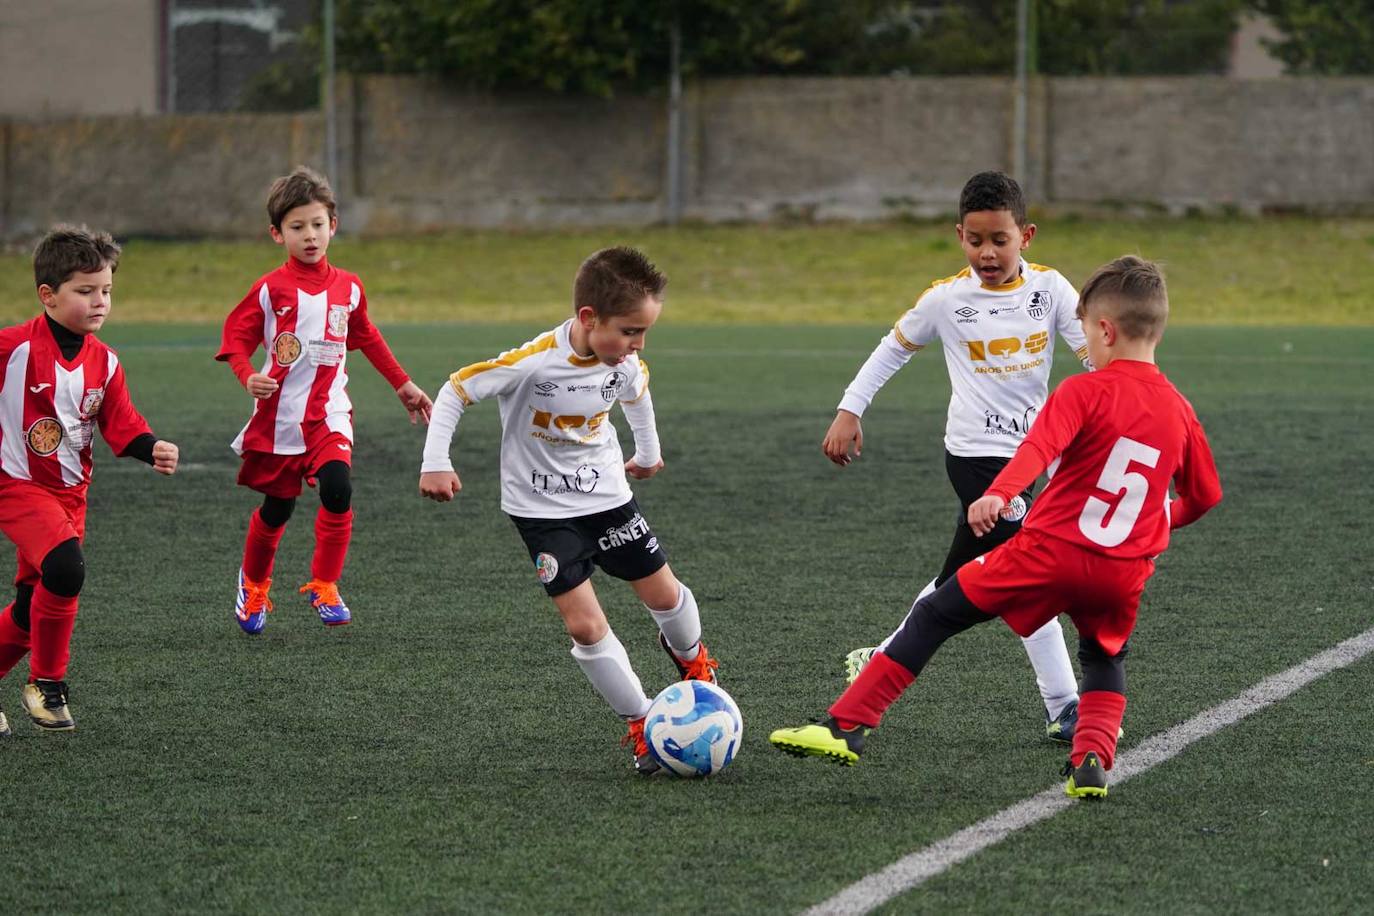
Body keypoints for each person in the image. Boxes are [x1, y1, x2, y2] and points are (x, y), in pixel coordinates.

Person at [771, 255, 1222, 799]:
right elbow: (1203, 497)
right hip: (1123, 570)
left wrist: (1000, 493)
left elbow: (1038, 446)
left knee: (938, 611)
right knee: (1104, 657)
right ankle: (1092, 762)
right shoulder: (1180, 409)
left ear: (1105, 329)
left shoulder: (1084, 391)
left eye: (1085, 332)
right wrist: (1149, 520)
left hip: (1048, 553)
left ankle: (846, 726)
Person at [418, 246, 719, 775]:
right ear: (588, 319)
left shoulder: (623, 363)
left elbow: (637, 393)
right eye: (628, 331)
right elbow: (456, 389)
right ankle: (642, 724)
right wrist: (435, 460)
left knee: (664, 594)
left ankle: (695, 664)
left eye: (644, 333)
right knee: (583, 626)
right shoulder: (532, 363)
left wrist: (647, 453)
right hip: (540, 512)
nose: (636, 345)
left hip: (608, 498)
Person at [829, 171, 1095, 742]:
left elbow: (1092, 354)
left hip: (1030, 459)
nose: (987, 252)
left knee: (958, 578)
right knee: (1026, 574)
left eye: (999, 239)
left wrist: (1120, 397)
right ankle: (1065, 705)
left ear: (1026, 235)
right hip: (976, 459)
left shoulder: (1051, 289)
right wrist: (850, 410)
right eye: (975, 240)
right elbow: (891, 349)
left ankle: (881, 657)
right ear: (959, 237)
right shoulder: (947, 298)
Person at [217, 167, 432, 633]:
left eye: (317, 224)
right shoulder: (270, 290)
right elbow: (235, 340)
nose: (310, 236)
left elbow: (366, 336)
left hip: (330, 410)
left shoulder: (349, 286)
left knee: (338, 488)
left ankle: (325, 584)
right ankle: (253, 584)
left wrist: (403, 384)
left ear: (333, 225)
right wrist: (247, 375)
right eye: (297, 227)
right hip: (279, 418)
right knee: (279, 507)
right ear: (277, 234)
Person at [0, 227, 180, 734]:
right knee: (66, 568)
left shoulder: (105, 361)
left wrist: (152, 448)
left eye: (106, 291)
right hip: (16, 485)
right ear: (48, 295)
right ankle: (47, 684)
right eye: (85, 291)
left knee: (29, 604)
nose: (99, 302)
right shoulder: (12, 347)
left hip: (70, 496)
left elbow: (122, 423)